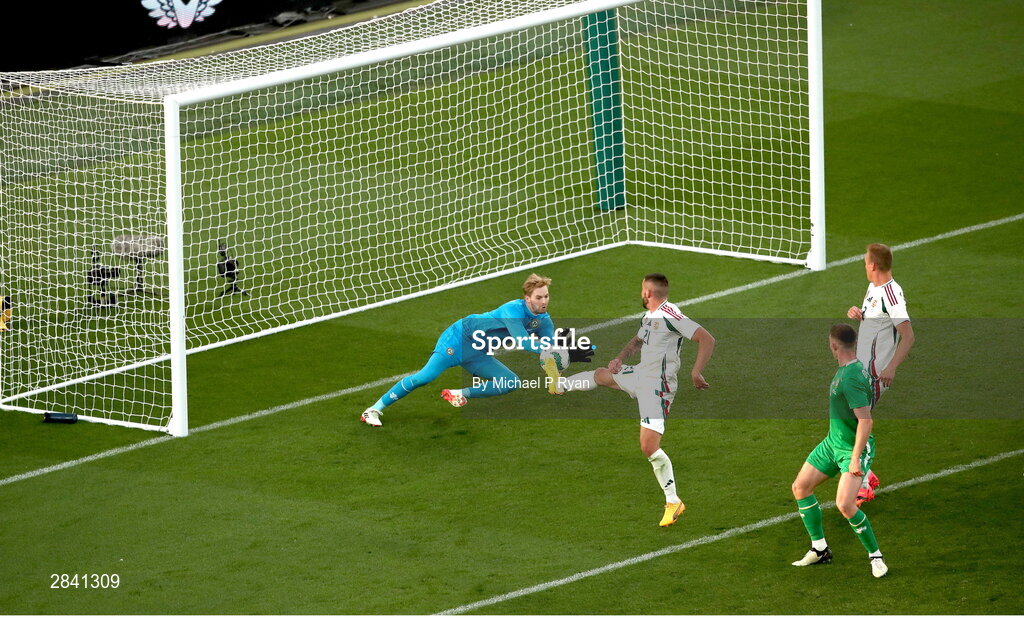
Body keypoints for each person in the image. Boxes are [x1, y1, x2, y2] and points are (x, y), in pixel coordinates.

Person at [554, 273, 715, 526]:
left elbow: (706, 338)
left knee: (648, 447)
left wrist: (695, 372)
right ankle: (561, 385)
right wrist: (620, 358)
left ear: (648, 293)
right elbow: (638, 340)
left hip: (658, 387)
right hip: (641, 374)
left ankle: (674, 501)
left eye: (642, 290)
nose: (641, 293)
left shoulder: (671, 315)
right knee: (601, 375)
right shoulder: (649, 316)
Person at [361, 274, 591, 427]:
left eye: (546, 296)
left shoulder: (544, 321)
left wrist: (557, 375)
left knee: (510, 383)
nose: (544, 301)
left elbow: (549, 353)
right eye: (539, 297)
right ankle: (373, 409)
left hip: (479, 352)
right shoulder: (512, 310)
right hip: (458, 339)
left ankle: (459, 393)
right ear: (527, 298)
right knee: (426, 377)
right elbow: (524, 342)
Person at [790, 324, 888, 578]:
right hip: (833, 443)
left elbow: (866, 421)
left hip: (850, 450)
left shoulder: (852, 377)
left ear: (833, 345)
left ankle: (876, 557)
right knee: (800, 487)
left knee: (845, 505)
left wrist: (855, 458)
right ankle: (820, 549)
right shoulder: (848, 370)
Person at [846, 243, 915, 505]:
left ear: (873, 265)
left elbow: (908, 336)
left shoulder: (892, 294)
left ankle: (863, 482)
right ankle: (867, 475)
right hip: (861, 368)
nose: (864, 266)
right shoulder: (874, 288)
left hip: (875, 374)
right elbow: (877, 321)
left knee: (856, 421)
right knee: (850, 419)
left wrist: (892, 367)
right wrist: (860, 315)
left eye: (865, 262)